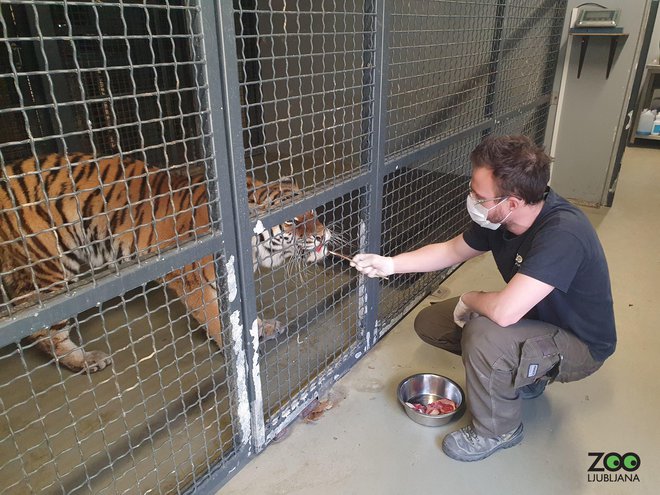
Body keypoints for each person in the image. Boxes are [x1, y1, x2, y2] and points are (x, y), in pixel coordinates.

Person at [351, 134, 616, 462]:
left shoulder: (563, 233)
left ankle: (498, 429)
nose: (471, 199)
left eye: (479, 195)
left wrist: (470, 298)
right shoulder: (499, 218)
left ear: (512, 202)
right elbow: (451, 250)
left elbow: (505, 313)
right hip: (538, 321)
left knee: (484, 333)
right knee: (433, 322)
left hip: (581, 344)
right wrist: (390, 265)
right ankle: (524, 374)